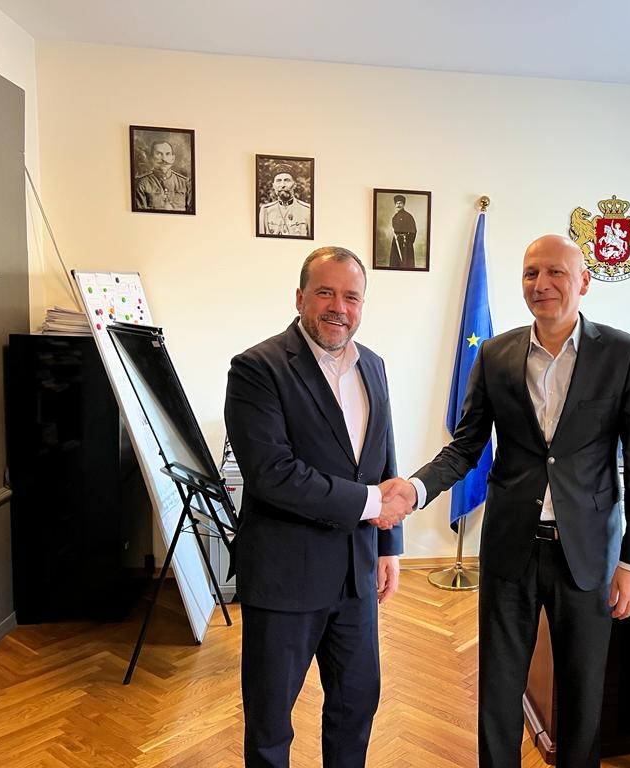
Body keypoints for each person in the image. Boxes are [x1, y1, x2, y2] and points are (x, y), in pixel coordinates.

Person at [382, 234, 630, 768]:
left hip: (588, 554)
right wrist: (416, 488)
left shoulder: (622, 353)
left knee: (582, 695)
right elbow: (466, 446)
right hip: (511, 548)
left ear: (584, 282)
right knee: (499, 688)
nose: (541, 284)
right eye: (531, 273)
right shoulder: (495, 354)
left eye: (555, 272)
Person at [224, 246, 411, 768]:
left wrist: (389, 546)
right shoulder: (257, 368)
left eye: (351, 296)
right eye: (325, 292)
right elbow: (273, 474)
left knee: (356, 706)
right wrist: (372, 503)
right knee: (270, 723)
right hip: (285, 577)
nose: (338, 307)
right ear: (300, 297)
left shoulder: (373, 365)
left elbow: (382, 456)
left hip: (356, 576)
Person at [134, 140, 191, 211]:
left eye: (167, 154)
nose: (164, 159)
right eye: (159, 154)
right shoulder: (141, 183)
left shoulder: (185, 183)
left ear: (173, 158)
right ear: (151, 158)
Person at [258, 167, 311, 236]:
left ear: (295, 185)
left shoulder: (307, 210)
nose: (282, 185)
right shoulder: (266, 210)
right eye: (278, 181)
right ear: (273, 186)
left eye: (287, 180)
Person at [388, 194, 417, 268]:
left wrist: (408, 243)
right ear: (395, 205)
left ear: (403, 204)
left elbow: (413, 231)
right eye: (397, 203)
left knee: (406, 263)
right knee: (395, 263)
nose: (398, 205)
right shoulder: (394, 217)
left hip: (406, 243)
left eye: (400, 203)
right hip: (396, 242)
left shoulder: (409, 216)